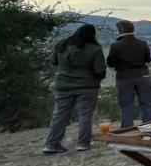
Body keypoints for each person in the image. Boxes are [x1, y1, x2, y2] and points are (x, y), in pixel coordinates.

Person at [43, 23, 105, 154]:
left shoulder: (62, 45)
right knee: (85, 115)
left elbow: (54, 62)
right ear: (92, 35)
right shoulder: (95, 49)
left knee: (59, 114)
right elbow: (100, 70)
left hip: (63, 85)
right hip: (87, 86)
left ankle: (52, 143)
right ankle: (83, 143)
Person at [106, 19, 151, 129]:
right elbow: (148, 59)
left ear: (119, 31)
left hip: (124, 77)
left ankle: (127, 129)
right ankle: (149, 128)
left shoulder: (115, 46)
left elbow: (111, 63)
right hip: (143, 75)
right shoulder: (142, 43)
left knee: (126, 105)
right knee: (147, 103)